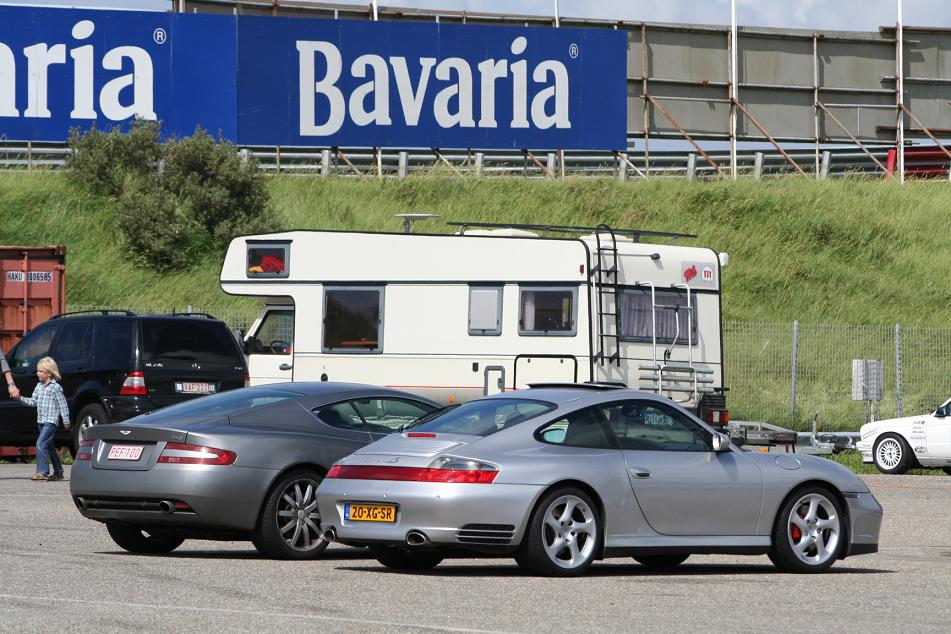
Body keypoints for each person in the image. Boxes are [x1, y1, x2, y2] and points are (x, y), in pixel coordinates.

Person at [16, 357, 70, 481]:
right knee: (49, 446)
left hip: (51, 422)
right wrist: (20, 398)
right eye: (37, 371)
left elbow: (63, 404)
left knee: (40, 443)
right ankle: (58, 471)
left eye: (40, 371)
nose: (37, 373)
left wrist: (66, 420)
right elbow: (32, 402)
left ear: (49, 373)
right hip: (41, 421)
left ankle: (43, 472)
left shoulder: (55, 387)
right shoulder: (38, 387)